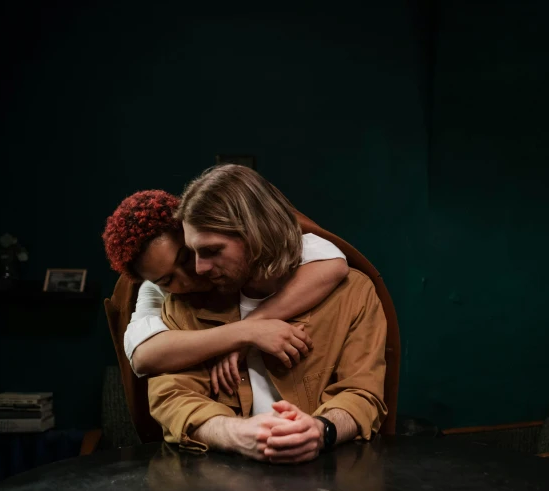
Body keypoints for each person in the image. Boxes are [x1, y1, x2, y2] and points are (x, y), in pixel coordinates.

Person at [148, 164, 387, 464]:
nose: (198, 269)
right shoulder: (187, 304)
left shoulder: (353, 293)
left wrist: (319, 430)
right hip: (221, 487)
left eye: (212, 251)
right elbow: (172, 396)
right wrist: (237, 433)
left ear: (257, 235)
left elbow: (362, 393)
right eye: (193, 252)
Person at [102, 189, 350, 395]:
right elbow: (143, 354)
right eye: (167, 279)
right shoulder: (154, 290)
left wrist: (256, 320)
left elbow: (332, 262)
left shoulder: (248, 248)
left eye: (187, 256)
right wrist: (244, 333)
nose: (191, 274)